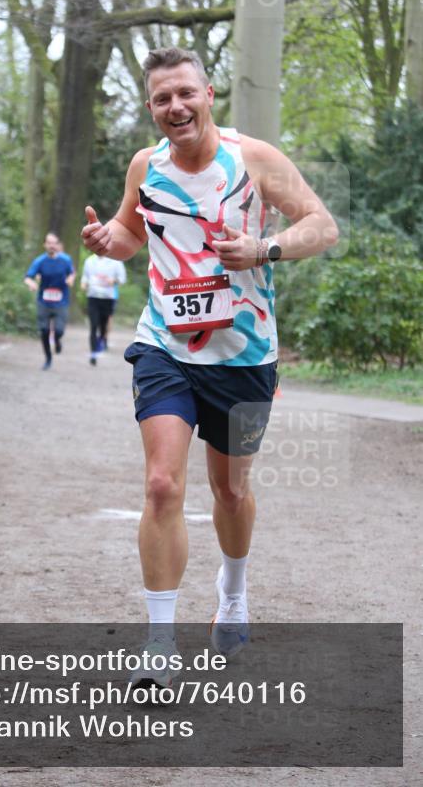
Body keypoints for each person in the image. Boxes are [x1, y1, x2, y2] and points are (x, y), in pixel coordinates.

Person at [81, 47, 338, 687]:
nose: (176, 107)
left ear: (208, 95)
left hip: (246, 358)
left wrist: (264, 248)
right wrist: (106, 241)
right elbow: (130, 231)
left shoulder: (253, 160)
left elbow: (323, 225)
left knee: (230, 491)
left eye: (185, 94)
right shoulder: (146, 166)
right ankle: (160, 644)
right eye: (163, 98)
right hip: (166, 345)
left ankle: (233, 589)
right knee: (163, 485)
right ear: (151, 108)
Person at [24, 232, 75, 370]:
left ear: (57, 245)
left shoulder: (66, 260)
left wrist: (71, 279)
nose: (52, 246)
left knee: (59, 330)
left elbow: (72, 273)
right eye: (49, 243)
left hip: (61, 301)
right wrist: (31, 283)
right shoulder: (39, 261)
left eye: (54, 243)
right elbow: (28, 277)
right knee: (44, 330)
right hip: (44, 301)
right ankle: (48, 358)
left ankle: (57, 341)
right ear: (45, 245)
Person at [80, 252, 127, 364]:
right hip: (93, 297)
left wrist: (114, 281)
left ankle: (102, 339)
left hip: (108, 298)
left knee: (103, 326)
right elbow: (85, 277)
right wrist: (83, 284)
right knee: (93, 326)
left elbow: (122, 279)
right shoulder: (89, 261)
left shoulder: (115, 261)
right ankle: (93, 354)